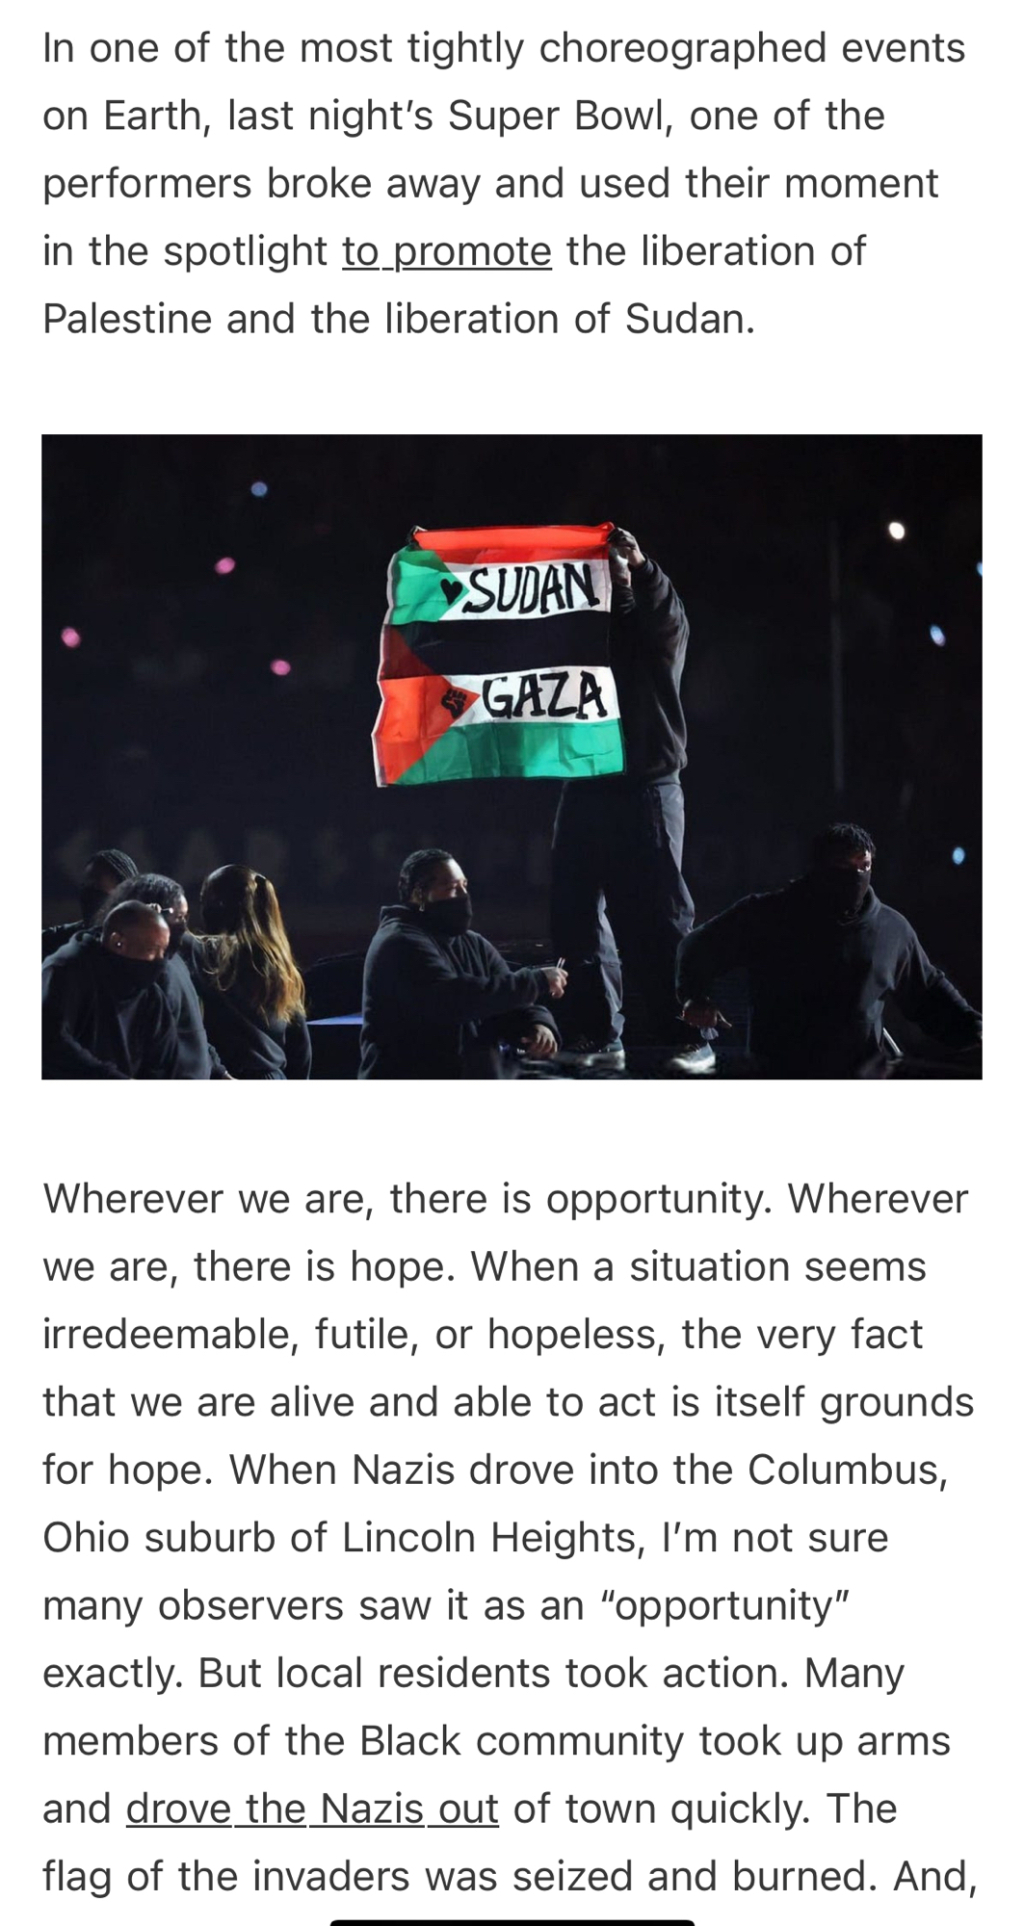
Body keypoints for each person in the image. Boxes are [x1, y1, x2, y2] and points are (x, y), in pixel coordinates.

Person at [550, 525, 708, 1072]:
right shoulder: (575, 632)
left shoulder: (656, 629)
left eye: (613, 569)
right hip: (584, 784)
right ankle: (596, 1031)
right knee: (575, 915)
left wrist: (640, 566)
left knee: (659, 918)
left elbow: (665, 614)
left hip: (646, 786)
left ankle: (685, 1033)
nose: (607, 576)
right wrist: (439, 562)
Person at [675, 822, 982, 1078]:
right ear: (819, 868)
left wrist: (975, 1029)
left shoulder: (890, 930)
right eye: (843, 867)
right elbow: (698, 948)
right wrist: (695, 996)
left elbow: (927, 992)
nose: (856, 877)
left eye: (864, 866)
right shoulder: (768, 916)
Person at [360, 849, 566, 1080]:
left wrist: (537, 1023)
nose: (463, 895)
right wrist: (536, 980)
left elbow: (505, 996)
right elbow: (453, 998)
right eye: (451, 888)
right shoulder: (399, 942)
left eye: (464, 885)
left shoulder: (473, 944)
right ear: (419, 894)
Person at [102, 872, 231, 1079]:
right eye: (178, 917)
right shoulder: (146, 973)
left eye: (185, 918)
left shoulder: (176, 961)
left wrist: (219, 1070)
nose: (183, 927)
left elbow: (192, 1030)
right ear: (152, 912)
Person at [194, 864, 311, 1079]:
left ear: (218, 904)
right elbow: (300, 1050)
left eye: (204, 899)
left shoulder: (206, 953)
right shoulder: (282, 966)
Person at [42, 900, 180, 1079]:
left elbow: (163, 1061)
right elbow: (51, 1042)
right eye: (152, 950)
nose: (160, 960)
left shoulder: (151, 996)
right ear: (118, 942)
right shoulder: (65, 972)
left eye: (163, 951)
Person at [42, 848, 138, 959]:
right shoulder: (65, 939)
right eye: (87, 888)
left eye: (97, 890)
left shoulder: (144, 944)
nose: (90, 899)